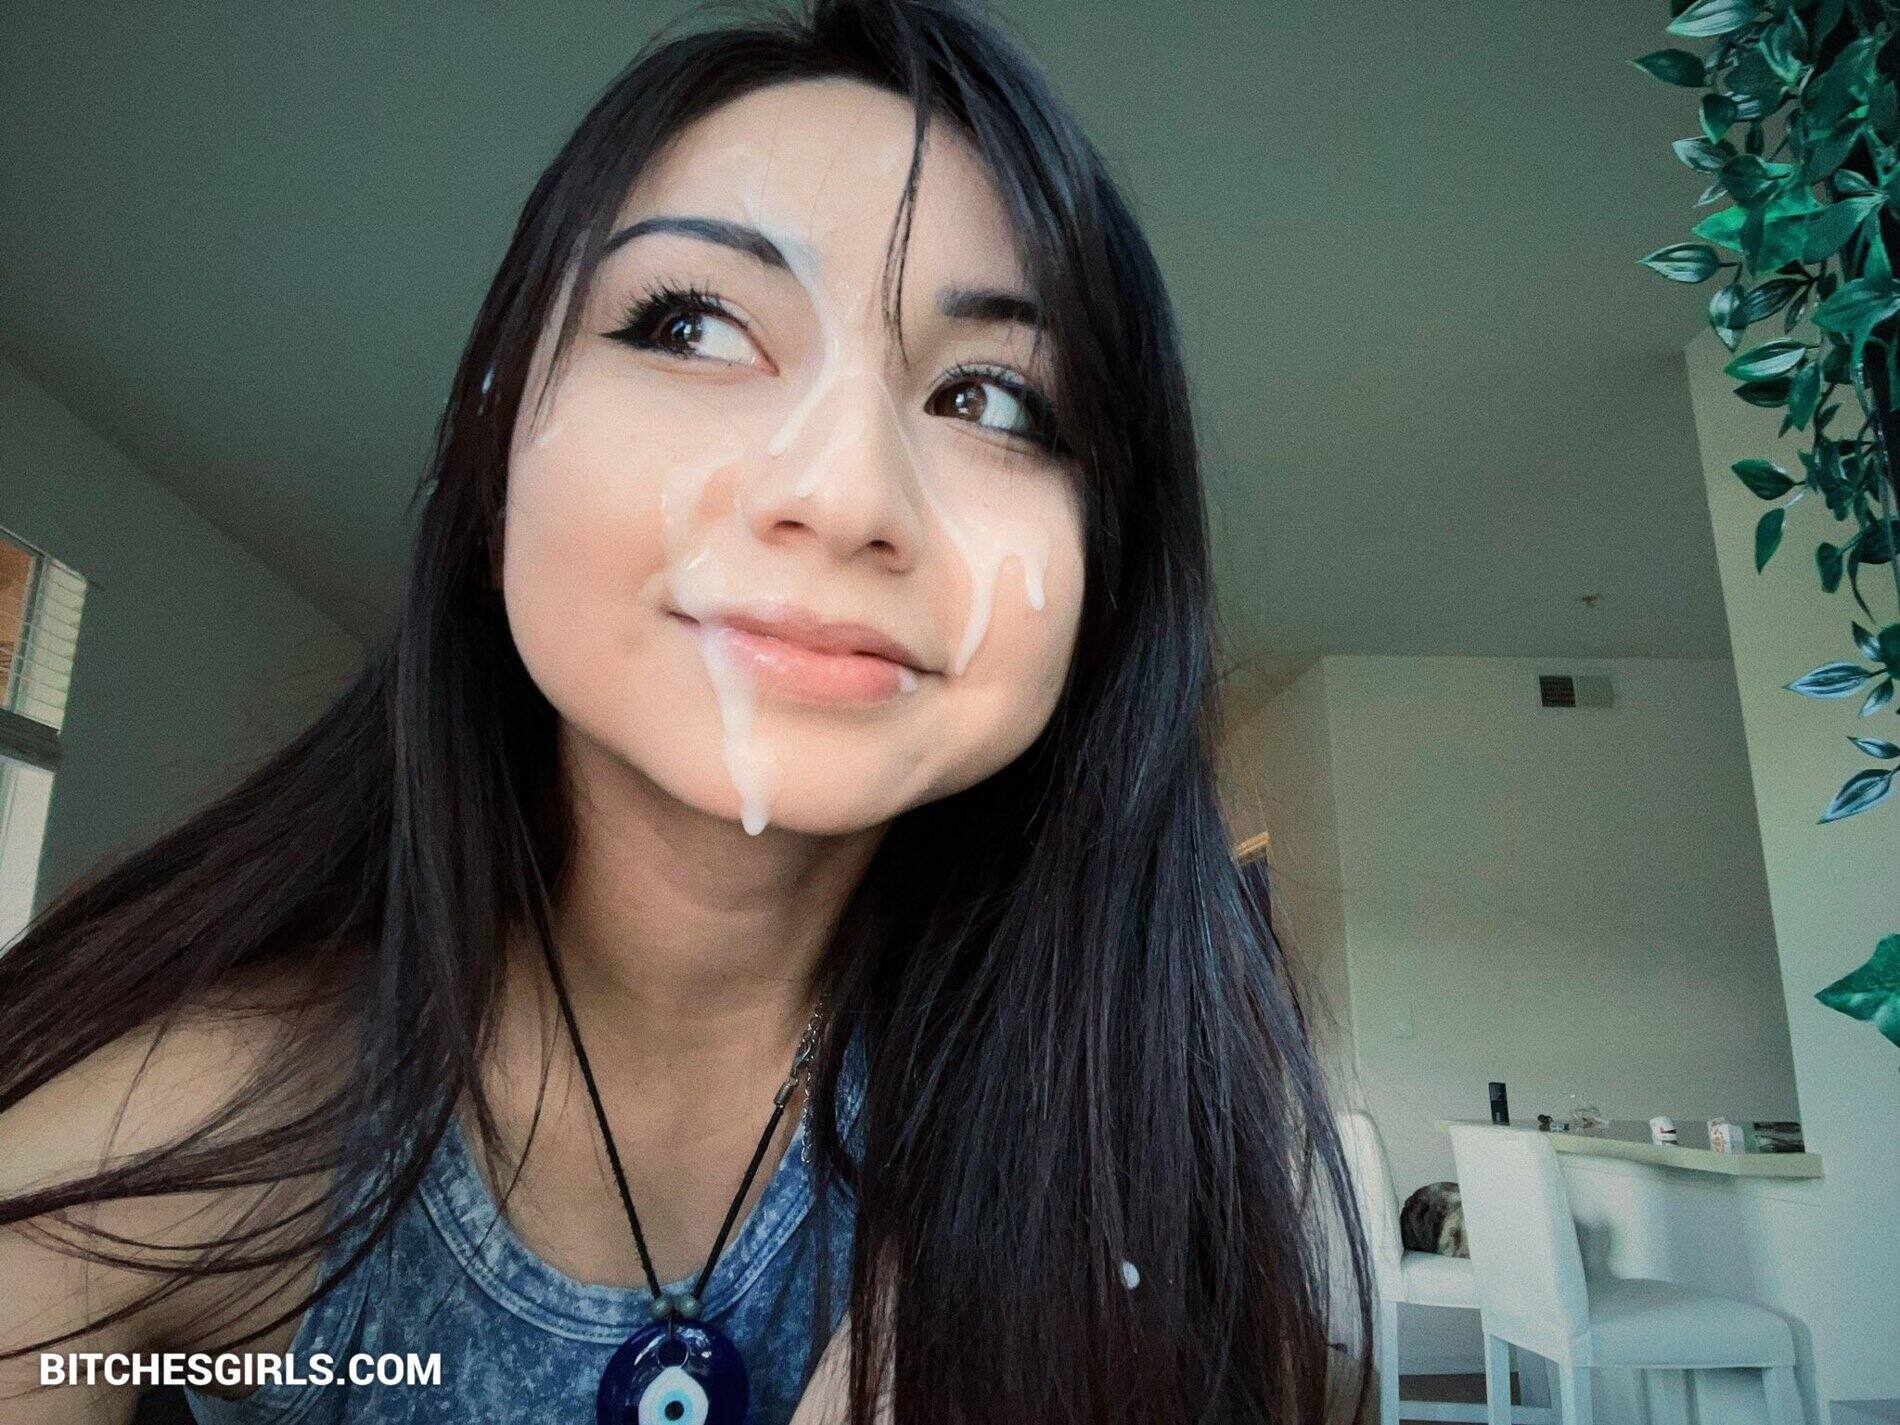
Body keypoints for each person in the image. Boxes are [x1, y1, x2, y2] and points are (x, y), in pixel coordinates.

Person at [0, 2, 1370, 1421]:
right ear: (495, 460)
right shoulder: (143, 1134)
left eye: (993, 402)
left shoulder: (1140, 1131)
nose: (842, 492)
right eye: (693, 325)